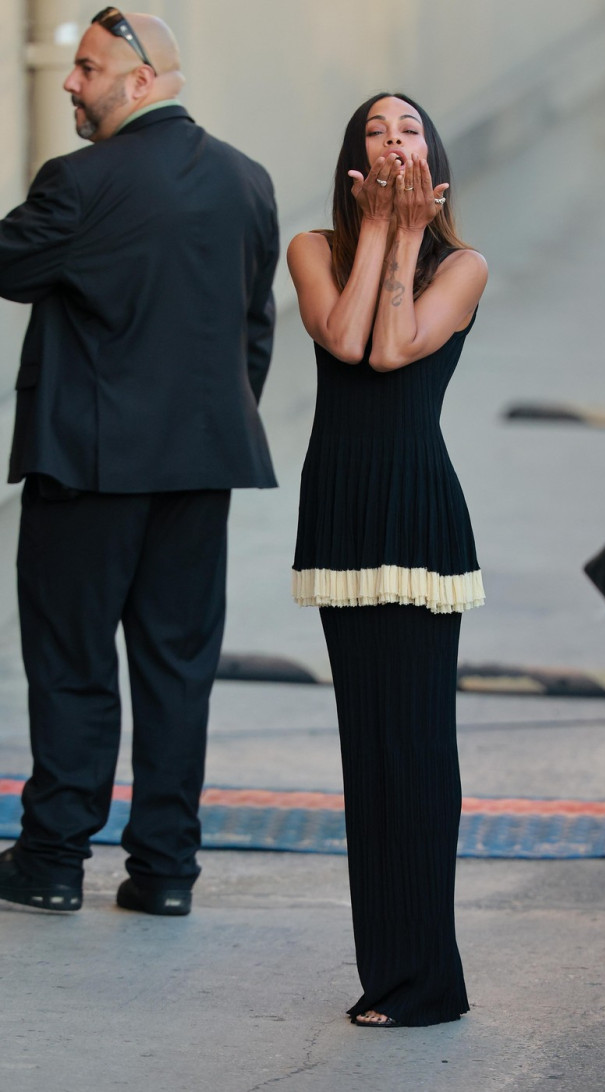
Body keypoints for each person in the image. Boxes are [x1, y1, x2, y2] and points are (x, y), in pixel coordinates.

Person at [0, 9, 279, 915]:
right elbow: (254, 334)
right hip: (200, 469)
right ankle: (164, 874)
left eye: (88, 69)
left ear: (145, 80)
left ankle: (50, 863)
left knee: (74, 663)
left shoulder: (80, 184)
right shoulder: (248, 182)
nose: (73, 84)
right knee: (177, 668)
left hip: (86, 472)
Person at [287, 92, 488, 1027]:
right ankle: (391, 974)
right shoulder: (314, 250)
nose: (392, 139)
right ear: (352, 160)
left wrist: (406, 241)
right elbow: (341, 337)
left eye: (408, 128)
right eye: (374, 130)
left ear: (433, 154)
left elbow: (394, 349)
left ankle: (428, 981)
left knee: (416, 750)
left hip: (416, 519)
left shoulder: (465, 265)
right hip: (342, 515)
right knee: (368, 752)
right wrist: (374, 234)